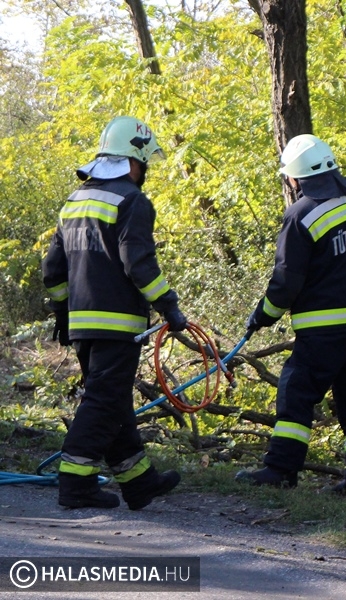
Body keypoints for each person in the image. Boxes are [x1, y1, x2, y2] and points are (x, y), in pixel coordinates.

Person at [236, 134, 346, 496]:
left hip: (326, 328)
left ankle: (281, 468)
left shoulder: (301, 215)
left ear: (295, 178)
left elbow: (285, 283)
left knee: (296, 391)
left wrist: (261, 316)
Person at [42, 116, 187, 510]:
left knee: (113, 399)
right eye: (145, 163)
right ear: (134, 160)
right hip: (119, 325)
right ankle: (75, 482)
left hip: (82, 327)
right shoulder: (132, 201)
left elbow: (52, 271)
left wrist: (62, 313)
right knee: (104, 402)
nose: (145, 172)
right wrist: (170, 307)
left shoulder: (75, 200)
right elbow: (139, 264)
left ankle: (139, 481)